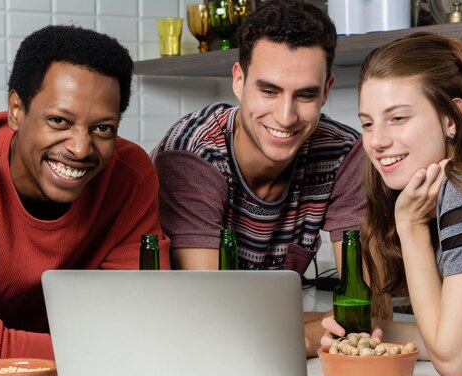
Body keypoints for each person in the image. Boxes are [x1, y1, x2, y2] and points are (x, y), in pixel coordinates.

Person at [0, 25, 170, 376]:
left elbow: (142, 321)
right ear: (16, 110)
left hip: (65, 375)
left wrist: (121, 348)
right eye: (59, 121)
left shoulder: (130, 176)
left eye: (103, 129)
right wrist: (109, 350)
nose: (80, 149)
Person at [151, 0, 371, 357]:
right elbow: (213, 320)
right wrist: (313, 335)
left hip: (270, 357)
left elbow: (364, 305)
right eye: (268, 91)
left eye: (305, 95)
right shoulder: (192, 155)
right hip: (184, 357)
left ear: (326, 91)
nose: (285, 117)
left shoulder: (345, 154)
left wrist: (315, 331)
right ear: (238, 80)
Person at [324, 31, 462, 376]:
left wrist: (410, 227)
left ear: (451, 118)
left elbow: (454, 362)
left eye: (398, 118)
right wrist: (360, 334)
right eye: (367, 123)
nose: (377, 141)